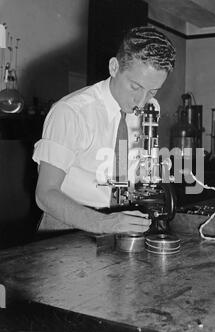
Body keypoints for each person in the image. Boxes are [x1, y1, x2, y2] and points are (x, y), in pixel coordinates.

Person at [32, 26, 176, 235]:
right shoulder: (71, 112)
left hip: (120, 224)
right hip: (67, 228)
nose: (141, 101)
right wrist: (103, 223)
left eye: (152, 91)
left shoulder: (150, 108)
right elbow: (45, 194)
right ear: (114, 67)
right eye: (135, 87)